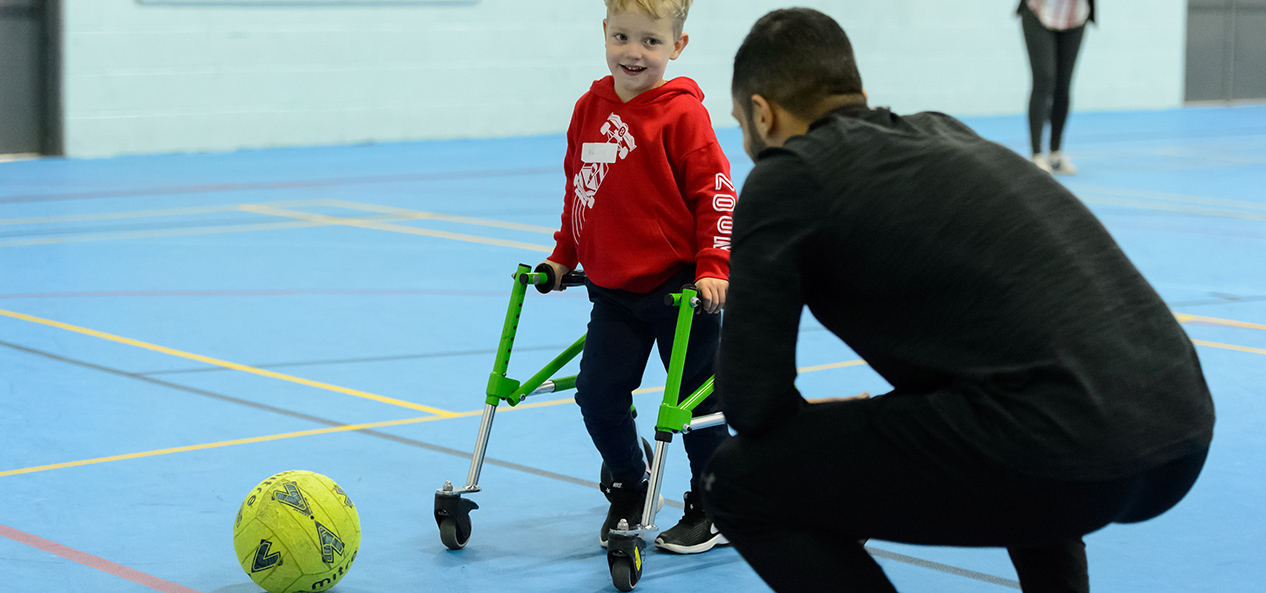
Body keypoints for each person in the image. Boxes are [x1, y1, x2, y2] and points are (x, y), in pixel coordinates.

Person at [702, 8, 1214, 592]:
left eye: (741, 122)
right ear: (856, 91)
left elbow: (750, 402)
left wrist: (811, 431)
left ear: (763, 115)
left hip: (1068, 448)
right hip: (1180, 429)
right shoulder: (945, 133)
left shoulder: (787, 176)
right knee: (1011, 401)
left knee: (739, 481)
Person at [538, 0, 733, 555]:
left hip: (683, 293)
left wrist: (713, 268)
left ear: (677, 45)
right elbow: (582, 193)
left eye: (650, 41)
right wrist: (563, 257)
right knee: (597, 396)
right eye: (622, 37)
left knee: (697, 408)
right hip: (615, 294)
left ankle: (713, 504)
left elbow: (716, 196)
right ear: (604, 33)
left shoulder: (682, 115)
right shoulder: (588, 109)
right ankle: (629, 481)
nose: (633, 52)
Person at [1019, 0, 1096, 175]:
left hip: (1075, 17)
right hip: (1039, 13)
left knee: (1063, 85)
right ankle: (1037, 154)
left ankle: (1055, 153)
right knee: (1044, 79)